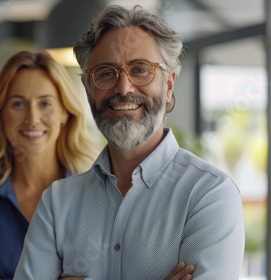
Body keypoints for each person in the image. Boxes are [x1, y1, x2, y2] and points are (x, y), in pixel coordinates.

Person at [14, 5, 244, 280]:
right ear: (88, 89)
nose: (123, 88)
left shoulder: (209, 195)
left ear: (168, 85)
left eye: (140, 70)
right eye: (106, 73)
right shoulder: (57, 203)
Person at [0, 50, 100, 279]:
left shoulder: (100, 202)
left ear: (65, 112)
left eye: (45, 104)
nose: (32, 119)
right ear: (0, 114)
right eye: (18, 104)